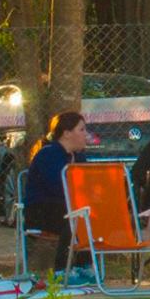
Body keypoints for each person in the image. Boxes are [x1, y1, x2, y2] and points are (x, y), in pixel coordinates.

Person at [22, 110, 90, 275]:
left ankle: (84, 266)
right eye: (81, 130)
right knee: (73, 214)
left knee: (87, 212)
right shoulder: (49, 155)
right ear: (67, 133)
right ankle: (62, 270)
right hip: (41, 211)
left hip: (67, 207)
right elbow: (58, 187)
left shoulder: (79, 157)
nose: (86, 134)